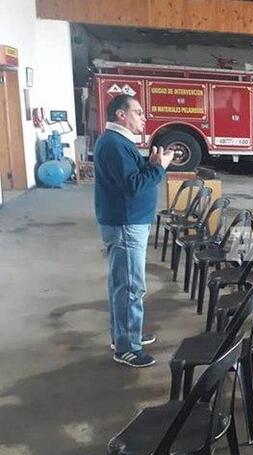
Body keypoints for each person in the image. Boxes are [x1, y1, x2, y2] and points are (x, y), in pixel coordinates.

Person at [94, 94, 173, 367]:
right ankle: (127, 347)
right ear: (120, 114)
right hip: (126, 224)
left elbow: (132, 177)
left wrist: (150, 165)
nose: (143, 117)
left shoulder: (118, 143)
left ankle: (126, 335)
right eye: (138, 112)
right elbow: (133, 186)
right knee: (130, 286)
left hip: (127, 221)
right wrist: (159, 169)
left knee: (122, 284)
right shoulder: (115, 144)